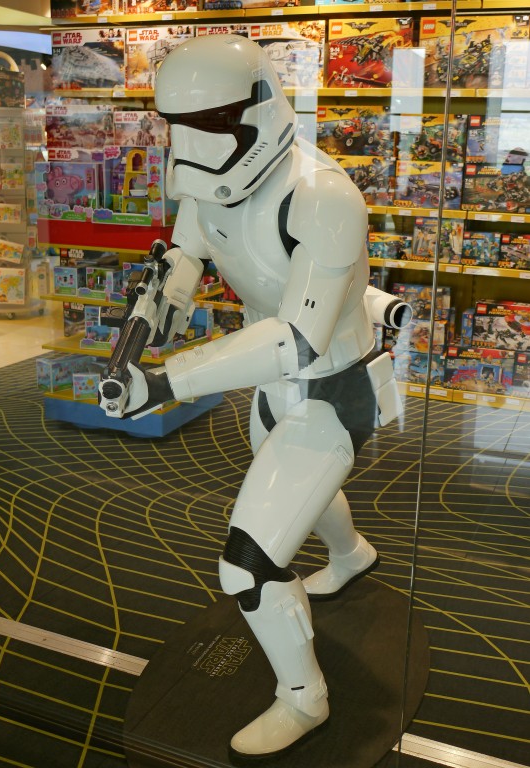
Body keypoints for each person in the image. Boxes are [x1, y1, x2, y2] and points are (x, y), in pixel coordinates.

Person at [99, 34, 410, 759]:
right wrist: (164, 299)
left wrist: (163, 382)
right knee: (295, 484)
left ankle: (304, 697)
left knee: (248, 563)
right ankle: (353, 554)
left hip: (332, 387)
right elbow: (190, 247)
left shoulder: (322, 197)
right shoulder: (204, 172)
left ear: (260, 109)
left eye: (212, 123)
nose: (191, 146)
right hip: (273, 384)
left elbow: (297, 339)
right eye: (178, 126)